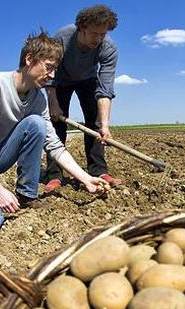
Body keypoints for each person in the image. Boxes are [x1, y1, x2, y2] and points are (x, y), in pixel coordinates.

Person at [0, 31, 109, 233]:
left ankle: (26, 194)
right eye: (49, 67)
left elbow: (54, 144)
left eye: (55, 69)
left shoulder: (38, 99)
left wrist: (86, 178)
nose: (52, 75)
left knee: (36, 123)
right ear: (29, 59)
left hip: (1, 156)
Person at [43, 4, 121, 193]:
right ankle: (54, 174)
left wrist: (104, 125)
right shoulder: (62, 39)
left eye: (103, 34)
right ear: (82, 28)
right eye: (94, 33)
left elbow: (105, 89)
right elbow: (49, 71)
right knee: (56, 124)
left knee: (95, 122)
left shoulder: (108, 48)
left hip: (88, 79)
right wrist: (53, 102)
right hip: (60, 79)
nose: (99, 39)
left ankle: (99, 170)